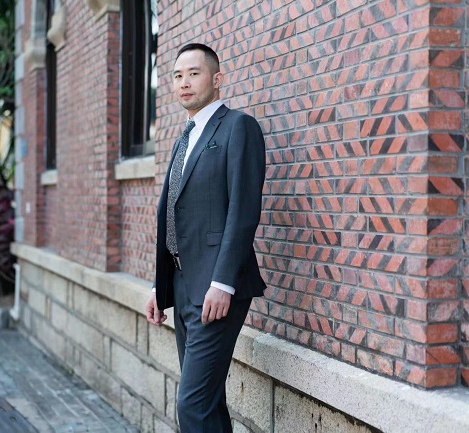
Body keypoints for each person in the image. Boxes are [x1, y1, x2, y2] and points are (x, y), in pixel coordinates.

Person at [145, 43, 266, 433]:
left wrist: (223, 281)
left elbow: (243, 210)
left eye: (194, 74)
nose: (184, 83)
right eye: (178, 76)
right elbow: (174, 212)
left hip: (216, 287)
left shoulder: (238, 127)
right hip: (182, 284)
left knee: (192, 406)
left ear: (217, 79)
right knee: (207, 405)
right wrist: (160, 285)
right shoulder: (185, 137)